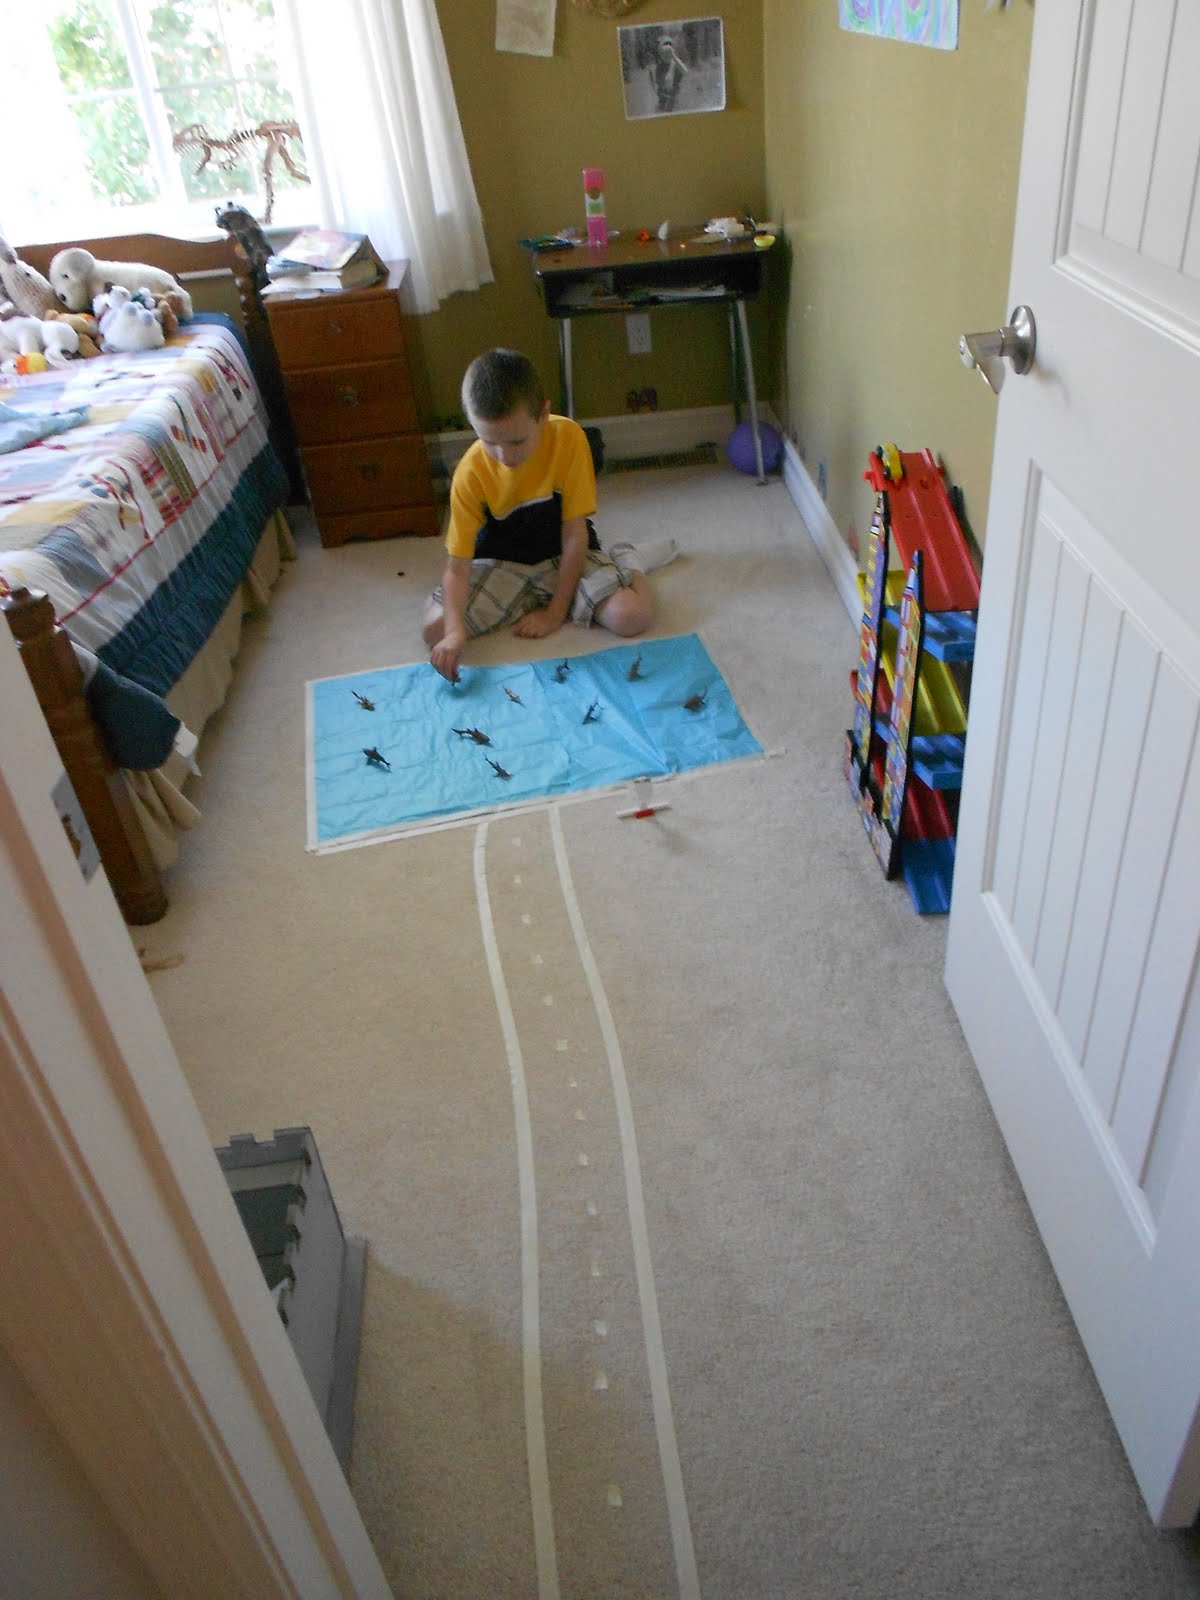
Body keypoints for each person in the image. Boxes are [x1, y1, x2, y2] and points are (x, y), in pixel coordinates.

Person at [423, 348, 674, 683]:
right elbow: (458, 567)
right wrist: (455, 633)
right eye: (489, 441)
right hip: (502, 562)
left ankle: (629, 562)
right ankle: (530, 599)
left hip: (565, 553)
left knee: (633, 616)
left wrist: (556, 613)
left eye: (516, 441)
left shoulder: (569, 437)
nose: (504, 456)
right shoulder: (469, 473)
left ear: (543, 414)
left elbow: (575, 534)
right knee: (434, 630)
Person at [650, 35, 688, 115]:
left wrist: (673, 57)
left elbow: (684, 71)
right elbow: (655, 85)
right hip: (662, 102)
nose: (667, 52)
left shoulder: (675, 64)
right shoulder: (656, 67)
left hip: (674, 102)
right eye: (665, 45)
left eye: (670, 46)